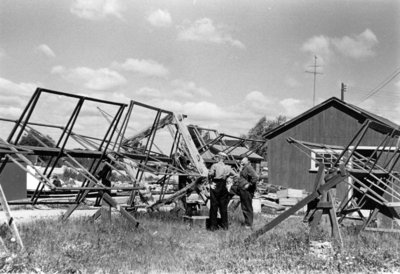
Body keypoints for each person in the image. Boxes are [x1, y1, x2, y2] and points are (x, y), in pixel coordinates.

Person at [208, 152, 236, 230]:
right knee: (223, 207)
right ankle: (225, 226)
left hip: (216, 184)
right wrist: (227, 178)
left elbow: (210, 174)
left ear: (219, 158)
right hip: (224, 185)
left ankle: (213, 226)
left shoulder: (215, 166)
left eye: (217, 157)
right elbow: (235, 175)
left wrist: (209, 175)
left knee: (214, 206)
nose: (216, 158)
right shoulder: (228, 167)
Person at [237, 157, 258, 229]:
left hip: (247, 191)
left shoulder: (249, 167)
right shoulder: (244, 167)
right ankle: (247, 223)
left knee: (247, 207)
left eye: (243, 159)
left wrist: (249, 184)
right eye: (241, 159)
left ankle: (249, 224)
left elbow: (255, 177)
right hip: (243, 190)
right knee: (244, 207)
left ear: (247, 160)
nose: (241, 160)